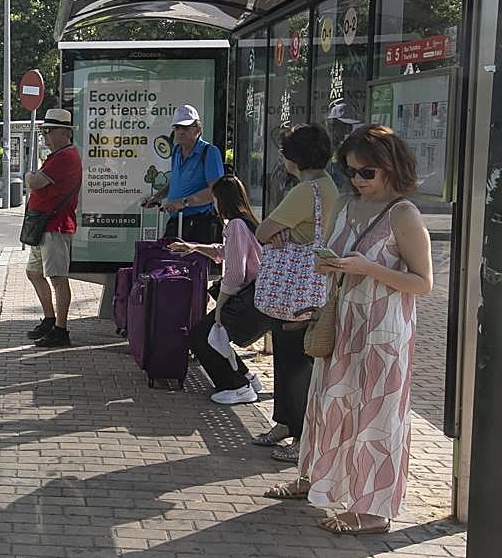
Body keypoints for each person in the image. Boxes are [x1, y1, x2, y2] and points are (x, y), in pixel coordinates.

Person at [264, 125, 432, 535]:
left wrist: (369, 269)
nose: (357, 179)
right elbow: (337, 253)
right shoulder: (346, 203)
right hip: (341, 321)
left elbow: (423, 282)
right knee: (326, 403)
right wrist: (329, 265)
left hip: (384, 331)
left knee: (377, 415)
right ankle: (314, 480)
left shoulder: (403, 214)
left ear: (391, 168)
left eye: (367, 172)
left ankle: (373, 510)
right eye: (351, 171)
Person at [252, 124, 340, 463]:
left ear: (293, 158)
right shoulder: (329, 186)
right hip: (313, 287)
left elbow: (263, 231)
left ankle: (301, 436)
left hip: (295, 292)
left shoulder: (306, 191)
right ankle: (285, 423)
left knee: (295, 363)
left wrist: (280, 234)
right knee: (291, 359)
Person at [170, 175, 274, 404]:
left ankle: (235, 386)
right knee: (215, 335)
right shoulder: (246, 222)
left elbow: (236, 273)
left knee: (202, 336)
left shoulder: (235, 225)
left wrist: (221, 305)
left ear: (222, 200)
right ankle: (246, 377)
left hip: (249, 300)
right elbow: (226, 251)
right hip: (258, 297)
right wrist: (195, 247)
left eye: (215, 198)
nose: (214, 203)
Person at [24, 108, 83, 348]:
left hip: (56, 226)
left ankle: (61, 329)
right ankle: (50, 320)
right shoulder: (56, 156)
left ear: (63, 132)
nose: (45, 136)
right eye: (44, 131)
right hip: (45, 226)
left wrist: (30, 176)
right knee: (34, 273)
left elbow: (35, 182)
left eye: (49, 131)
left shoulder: (65, 157)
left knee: (58, 278)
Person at [140, 104, 225, 243]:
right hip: (176, 221)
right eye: (177, 127)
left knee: (191, 264)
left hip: (199, 224)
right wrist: (156, 197)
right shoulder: (177, 151)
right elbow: (175, 181)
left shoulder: (210, 152)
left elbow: (216, 191)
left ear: (198, 130)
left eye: (185, 127)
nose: (180, 132)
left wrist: (184, 202)